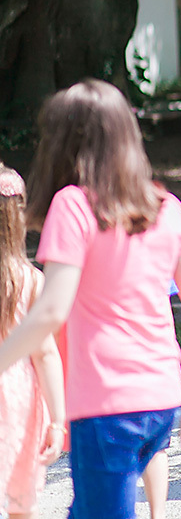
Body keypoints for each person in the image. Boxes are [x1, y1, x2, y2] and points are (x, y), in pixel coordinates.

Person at [0, 80, 181, 519]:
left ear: (63, 142)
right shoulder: (166, 207)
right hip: (161, 399)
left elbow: (51, 310)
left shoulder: (73, 207)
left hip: (105, 405)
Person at [0, 165, 65, 519]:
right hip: (20, 399)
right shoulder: (30, 281)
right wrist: (58, 420)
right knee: (21, 504)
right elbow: (46, 354)